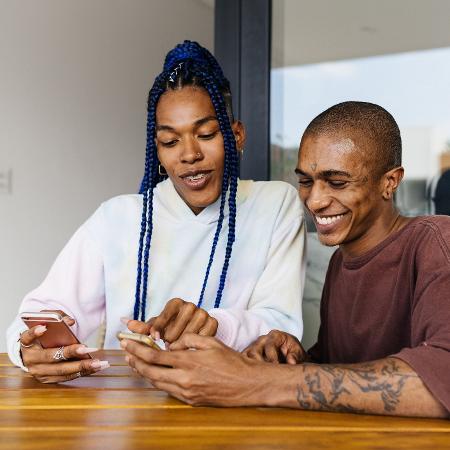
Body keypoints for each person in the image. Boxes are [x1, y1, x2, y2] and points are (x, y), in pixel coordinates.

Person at [122, 101, 450, 418]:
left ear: (389, 182)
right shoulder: (341, 261)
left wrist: (251, 380)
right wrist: (297, 356)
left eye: (337, 182)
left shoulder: (437, 242)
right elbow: (349, 374)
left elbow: (442, 375)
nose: (315, 200)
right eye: (306, 181)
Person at [7, 41, 305, 383]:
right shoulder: (117, 217)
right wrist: (28, 347)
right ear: (157, 152)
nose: (189, 154)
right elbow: (40, 313)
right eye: (170, 141)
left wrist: (215, 325)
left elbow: (282, 325)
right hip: (125, 407)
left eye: (206, 133)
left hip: (231, 401)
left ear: (236, 136)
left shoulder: (276, 204)